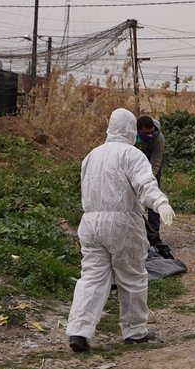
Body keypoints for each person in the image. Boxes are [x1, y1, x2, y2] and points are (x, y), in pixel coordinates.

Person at [67, 108, 176, 352]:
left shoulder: (91, 156)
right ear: (130, 130)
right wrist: (161, 202)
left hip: (91, 223)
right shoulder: (132, 155)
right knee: (132, 277)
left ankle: (78, 331)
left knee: (92, 278)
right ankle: (134, 330)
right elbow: (145, 185)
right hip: (122, 223)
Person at [135, 115, 167, 245]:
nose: (150, 135)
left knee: (153, 194)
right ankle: (135, 230)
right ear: (137, 131)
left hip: (150, 161)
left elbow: (156, 163)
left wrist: (148, 181)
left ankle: (153, 234)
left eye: (151, 132)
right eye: (146, 133)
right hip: (134, 160)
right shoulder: (130, 136)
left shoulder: (158, 139)